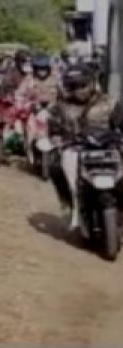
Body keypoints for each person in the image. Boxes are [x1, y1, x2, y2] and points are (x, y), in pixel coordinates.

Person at [51, 64, 123, 232]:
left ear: (92, 83)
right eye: (73, 87)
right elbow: (53, 128)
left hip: (108, 148)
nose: (79, 91)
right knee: (56, 167)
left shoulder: (110, 104)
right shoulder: (61, 107)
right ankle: (71, 204)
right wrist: (56, 137)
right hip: (76, 149)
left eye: (83, 85)